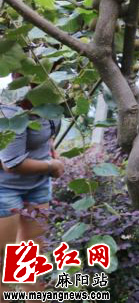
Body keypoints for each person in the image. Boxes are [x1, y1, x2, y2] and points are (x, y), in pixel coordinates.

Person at [0, 72, 65, 301]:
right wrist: (52, 165)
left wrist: (51, 149)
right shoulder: (9, 108)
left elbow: (49, 130)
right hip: (4, 188)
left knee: (32, 257)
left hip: (37, 184)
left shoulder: (50, 97)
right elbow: (12, 163)